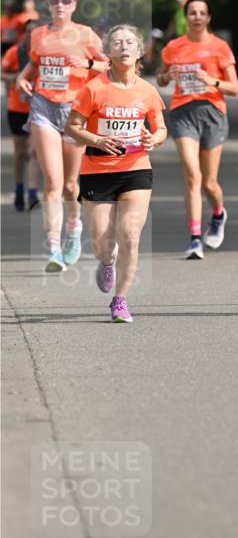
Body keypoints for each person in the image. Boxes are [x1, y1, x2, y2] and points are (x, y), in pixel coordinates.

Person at [64, 25, 167, 323]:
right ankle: (107, 261)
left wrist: (154, 139)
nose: (124, 47)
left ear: (139, 51)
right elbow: (72, 126)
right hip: (97, 171)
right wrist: (97, 140)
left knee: (131, 235)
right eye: (117, 43)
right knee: (103, 244)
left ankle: (120, 300)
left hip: (136, 169)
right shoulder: (93, 88)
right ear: (107, 52)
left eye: (130, 42)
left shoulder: (147, 91)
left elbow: (160, 128)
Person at [16, 0, 106, 272]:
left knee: (70, 185)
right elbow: (35, 64)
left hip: (74, 111)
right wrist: (22, 78)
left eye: (66, 1)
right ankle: (54, 249)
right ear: (48, 4)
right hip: (43, 107)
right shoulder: (38, 34)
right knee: (52, 183)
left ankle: (74, 228)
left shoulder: (85, 34)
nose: (60, 6)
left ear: (74, 5)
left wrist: (87, 64)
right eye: (55, 1)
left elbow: (107, 65)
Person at [156, 0, 238, 259]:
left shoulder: (219, 46)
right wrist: (167, 76)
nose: (197, 17)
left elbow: (234, 88)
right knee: (193, 175)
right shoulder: (174, 46)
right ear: (186, 16)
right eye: (192, 13)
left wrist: (211, 81)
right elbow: (160, 78)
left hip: (212, 113)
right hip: (182, 113)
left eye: (202, 13)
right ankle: (194, 239)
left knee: (209, 183)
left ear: (208, 17)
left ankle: (218, 213)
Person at [1, 20, 41, 210]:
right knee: (20, 153)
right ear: (24, 33)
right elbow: (2, 73)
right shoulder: (14, 52)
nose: (33, 35)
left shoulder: (47, 53)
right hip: (17, 108)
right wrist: (17, 77)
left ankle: (32, 193)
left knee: (34, 151)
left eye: (37, 32)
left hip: (39, 108)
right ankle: (19, 188)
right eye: (29, 31)